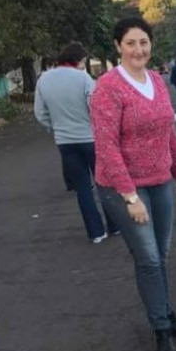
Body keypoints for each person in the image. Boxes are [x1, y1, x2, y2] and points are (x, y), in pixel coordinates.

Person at [90, 16, 176, 351]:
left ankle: (167, 315)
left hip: (158, 183)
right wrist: (129, 195)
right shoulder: (108, 88)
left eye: (143, 42)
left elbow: (168, 132)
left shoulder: (155, 79)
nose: (138, 49)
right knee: (149, 260)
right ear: (117, 47)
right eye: (130, 43)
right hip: (123, 188)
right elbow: (106, 146)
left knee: (162, 256)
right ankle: (161, 328)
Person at [34, 42, 119, 243]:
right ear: (78, 59)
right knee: (104, 184)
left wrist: (55, 126)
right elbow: (95, 106)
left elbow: (39, 113)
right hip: (90, 138)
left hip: (65, 141)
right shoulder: (83, 78)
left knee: (82, 187)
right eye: (83, 61)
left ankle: (96, 232)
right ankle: (114, 225)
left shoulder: (43, 79)